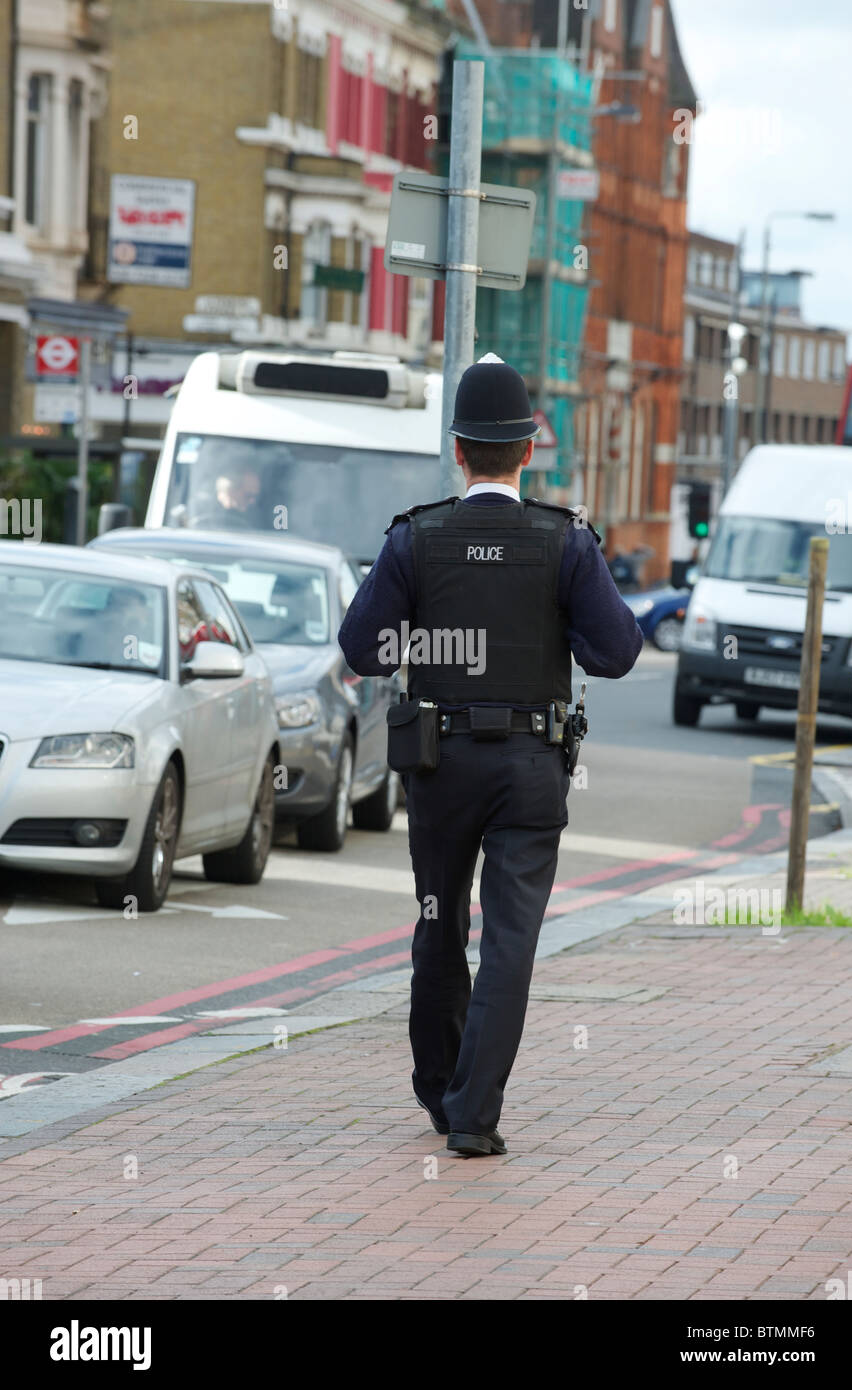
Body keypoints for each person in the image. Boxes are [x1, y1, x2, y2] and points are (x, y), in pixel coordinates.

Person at [338, 354, 643, 1157]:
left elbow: (363, 650)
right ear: (530, 449)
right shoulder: (565, 541)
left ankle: (439, 1092)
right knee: (511, 939)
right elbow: (615, 654)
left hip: (439, 766)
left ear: (458, 450)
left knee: (439, 925)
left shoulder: (415, 537)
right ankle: (473, 1116)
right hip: (531, 769)